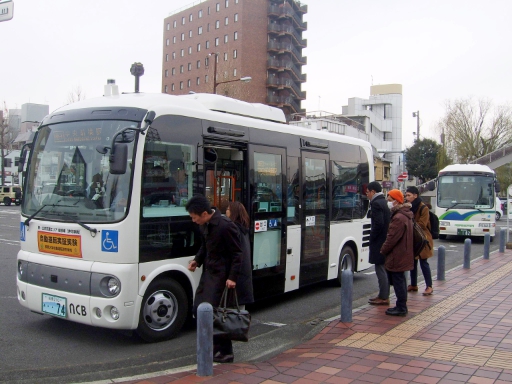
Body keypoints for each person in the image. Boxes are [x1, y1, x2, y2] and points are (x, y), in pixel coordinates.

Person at [186, 195, 244, 363]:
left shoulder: (225, 226)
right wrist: (196, 260)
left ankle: (225, 352)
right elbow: (205, 246)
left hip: (222, 277)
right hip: (208, 274)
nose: (193, 220)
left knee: (217, 314)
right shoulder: (204, 225)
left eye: (194, 217)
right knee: (199, 309)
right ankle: (212, 346)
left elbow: (237, 253)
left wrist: (232, 277)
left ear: (204, 213)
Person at [380, 189, 414, 316]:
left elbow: (391, 238)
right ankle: (401, 305)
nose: (388, 203)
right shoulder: (406, 215)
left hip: (398, 254)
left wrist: (383, 250)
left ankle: (401, 307)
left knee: (398, 281)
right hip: (404, 252)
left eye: (389, 200)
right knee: (400, 280)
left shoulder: (398, 218)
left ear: (396, 201)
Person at [405, 186, 434, 296]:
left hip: (423, 238)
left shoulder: (423, 208)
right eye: (406, 195)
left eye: (409, 195)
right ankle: (413, 284)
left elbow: (422, 224)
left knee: (423, 262)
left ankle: (429, 286)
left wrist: (409, 224)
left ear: (415, 195)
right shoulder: (408, 207)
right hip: (413, 237)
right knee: (413, 262)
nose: (407, 197)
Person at [366, 181, 391, 305]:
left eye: (368, 192)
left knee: (380, 269)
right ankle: (383, 294)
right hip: (385, 239)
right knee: (383, 268)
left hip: (379, 241)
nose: (367, 195)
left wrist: (372, 237)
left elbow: (379, 223)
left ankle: (383, 296)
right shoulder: (383, 201)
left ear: (373, 192)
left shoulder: (376, 204)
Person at [226, 201, 254, 307]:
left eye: (228, 210)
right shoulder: (243, 228)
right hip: (243, 274)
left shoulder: (233, 229)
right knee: (240, 309)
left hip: (237, 274)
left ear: (233, 212)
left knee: (233, 310)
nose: (226, 212)